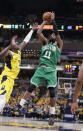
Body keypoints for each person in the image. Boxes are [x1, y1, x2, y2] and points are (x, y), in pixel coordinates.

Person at [19, 12, 63, 125]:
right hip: (41, 68)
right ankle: (20, 105)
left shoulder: (59, 45)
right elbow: (38, 32)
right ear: (49, 37)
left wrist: (53, 21)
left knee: (52, 93)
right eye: (52, 34)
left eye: (54, 35)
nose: (53, 35)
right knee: (31, 87)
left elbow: (57, 33)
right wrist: (44, 21)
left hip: (51, 70)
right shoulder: (45, 43)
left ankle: (52, 115)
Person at [0, 23, 38, 113]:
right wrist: (9, 46)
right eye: (15, 42)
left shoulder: (19, 50)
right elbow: (1, 55)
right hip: (6, 78)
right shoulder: (9, 53)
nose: (17, 43)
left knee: (4, 100)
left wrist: (32, 30)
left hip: (12, 80)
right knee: (2, 97)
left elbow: (26, 41)